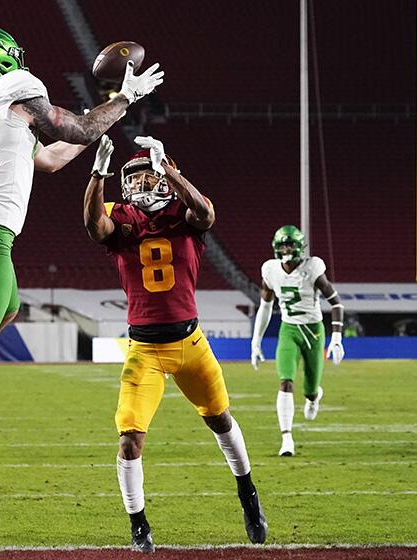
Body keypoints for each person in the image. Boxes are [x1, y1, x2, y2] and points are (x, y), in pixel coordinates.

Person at [0, 25, 164, 512]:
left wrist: (92, 141)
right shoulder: (20, 85)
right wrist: (124, 98)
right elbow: (74, 128)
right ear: (2, 57)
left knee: (10, 308)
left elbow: (45, 158)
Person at [83, 135, 267, 551]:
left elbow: (204, 212)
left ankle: (248, 496)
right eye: (133, 179)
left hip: (191, 344)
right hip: (143, 351)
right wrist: (97, 174)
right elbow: (95, 226)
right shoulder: (121, 215)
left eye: (148, 176)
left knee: (220, 420)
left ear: (165, 176)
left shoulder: (184, 212)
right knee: (129, 439)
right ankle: (138, 524)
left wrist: (171, 171)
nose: (139, 185)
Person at [250, 226, 345, 457]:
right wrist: (256, 341)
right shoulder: (271, 270)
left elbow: (337, 304)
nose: (286, 249)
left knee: (310, 390)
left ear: (300, 247)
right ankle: (287, 438)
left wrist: (337, 338)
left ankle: (314, 397)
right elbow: (265, 306)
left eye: (290, 244)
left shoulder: (312, 268)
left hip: (313, 331)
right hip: (289, 329)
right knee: (285, 381)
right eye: (282, 244)